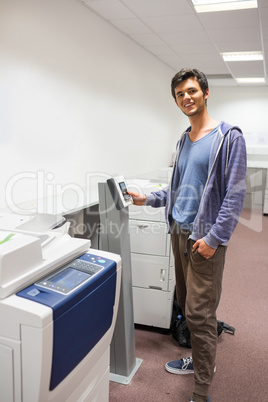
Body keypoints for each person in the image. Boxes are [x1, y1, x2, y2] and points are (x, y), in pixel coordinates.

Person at [128, 68, 247, 402]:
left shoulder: (228, 137)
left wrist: (213, 239)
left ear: (206, 93)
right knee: (185, 305)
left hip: (203, 240)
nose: (186, 98)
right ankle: (196, 360)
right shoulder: (183, 139)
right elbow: (176, 190)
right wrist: (147, 199)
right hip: (178, 233)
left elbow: (235, 196)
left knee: (200, 313)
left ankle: (201, 389)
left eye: (192, 91)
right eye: (180, 94)